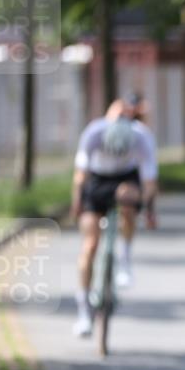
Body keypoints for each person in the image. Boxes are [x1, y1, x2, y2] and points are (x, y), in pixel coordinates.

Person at [69, 94, 158, 337]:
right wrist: (77, 202)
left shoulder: (141, 137)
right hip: (97, 179)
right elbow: (81, 174)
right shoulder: (93, 133)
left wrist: (149, 209)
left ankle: (125, 259)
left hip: (125, 179)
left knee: (129, 200)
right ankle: (84, 311)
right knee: (89, 245)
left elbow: (149, 181)